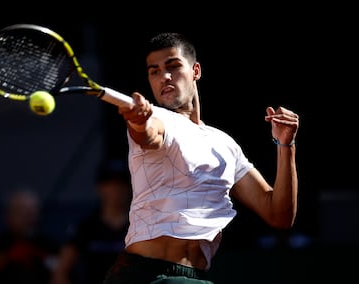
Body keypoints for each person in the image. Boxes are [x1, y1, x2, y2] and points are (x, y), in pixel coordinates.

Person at [103, 32, 299, 283]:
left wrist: (285, 144)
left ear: (195, 71)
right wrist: (139, 122)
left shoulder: (224, 144)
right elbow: (147, 134)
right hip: (144, 275)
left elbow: (279, 215)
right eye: (154, 71)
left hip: (192, 276)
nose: (164, 77)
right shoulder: (159, 120)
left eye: (173, 67)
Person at [51, 160, 132, 284]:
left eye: (121, 183)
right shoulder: (85, 228)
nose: (116, 189)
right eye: (109, 184)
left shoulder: (141, 227)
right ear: (100, 187)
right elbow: (60, 273)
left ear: (129, 187)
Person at [0, 187, 59, 284]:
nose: (28, 217)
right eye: (21, 211)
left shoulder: (49, 245)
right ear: (8, 216)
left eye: (32, 211)